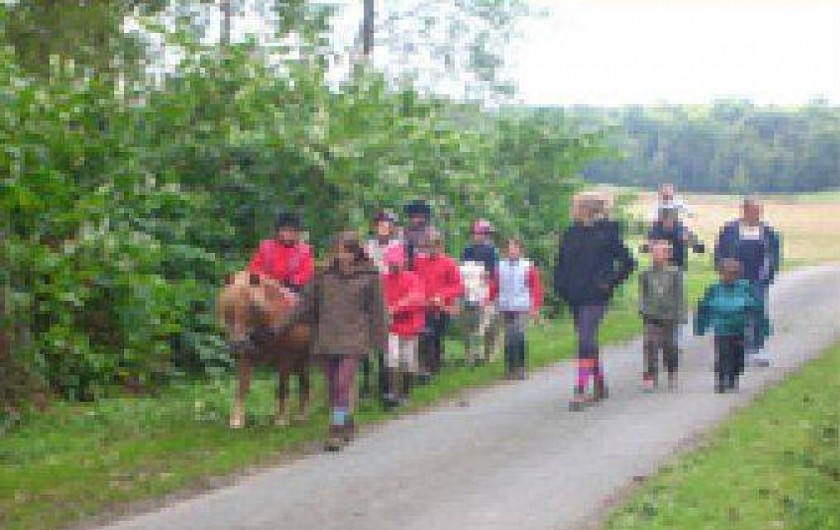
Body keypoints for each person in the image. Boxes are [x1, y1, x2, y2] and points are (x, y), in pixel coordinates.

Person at [292, 231, 387, 451]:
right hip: (327, 338)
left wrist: (380, 342)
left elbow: (378, 311)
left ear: (356, 252)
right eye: (339, 251)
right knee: (334, 386)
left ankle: (335, 429)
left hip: (354, 338)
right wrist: (279, 326)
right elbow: (305, 305)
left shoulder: (370, 276)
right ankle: (347, 421)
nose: (343, 255)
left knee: (342, 384)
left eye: (347, 251)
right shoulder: (322, 275)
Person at [555, 192, 636, 411]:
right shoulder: (570, 233)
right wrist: (560, 286)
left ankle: (580, 390)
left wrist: (609, 282)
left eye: (575, 206)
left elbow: (628, 263)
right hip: (574, 295)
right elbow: (561, 262)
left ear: (586, 209)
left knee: (585, 339)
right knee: (587, 341)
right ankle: (600, 385)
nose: (572, 210)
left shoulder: (607, 232)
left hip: (596, 296)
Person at [714, 196, 781, 367]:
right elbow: (719, 253)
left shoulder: (768, 233)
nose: (757, 214)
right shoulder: (729, 230)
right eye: (753, 211)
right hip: (733, 281)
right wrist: (723, 270)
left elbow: (773, 256)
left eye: (759, 211)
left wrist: (768, 275)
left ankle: (755, 350)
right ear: (744, 210)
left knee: (756, 314)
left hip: (757, 281)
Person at [695, 258, 768, 393]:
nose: (729, 277)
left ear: (737, 275)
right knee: (723, 354)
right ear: (720, 274)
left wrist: (762, 325)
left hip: (739, 329)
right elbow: (704, 307)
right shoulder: (714, 289)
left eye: (733, 274)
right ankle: (721, 381)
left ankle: (733, 378)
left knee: (738, 357)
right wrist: (701, 326)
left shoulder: (744, 288)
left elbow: (757, 307)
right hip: (722, 329)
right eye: (726, 274)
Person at [361, 210, 403, 401]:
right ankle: (365, 381)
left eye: (387, 225)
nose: (384, 229)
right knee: (363, 339)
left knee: (384, 341)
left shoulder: (397, 246)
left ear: (392, 228)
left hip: (387, 295)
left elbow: (397, 270)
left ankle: (386, 385)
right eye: (380, 225)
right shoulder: (367, 246)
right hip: (368, 294)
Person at [414, 228, 464, 382]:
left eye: (434, 245)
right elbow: (414, 280)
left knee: (435, 337)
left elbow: (458, 286)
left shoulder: (449, 263)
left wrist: (442, 295)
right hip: (423, 307)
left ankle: (434, 367)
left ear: (440, 246)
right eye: (428, 246)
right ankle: (423, 370)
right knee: (424, 337)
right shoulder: (418, 262)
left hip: (441, 308)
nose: (431, 249)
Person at [381, 244, 426, 409]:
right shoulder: (383, 280)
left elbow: (417, 299)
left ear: (403, 262)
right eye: (391, 263)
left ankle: (405, 394)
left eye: (396, 263)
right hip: (391, 326)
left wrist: (396, 307)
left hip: (410, 325)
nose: (393, 266)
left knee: (408, 359)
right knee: (391, 357)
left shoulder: (413, 278)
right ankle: (390, 394)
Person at [638, 240, 686, 391]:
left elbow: (679, 296)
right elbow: (643, 294)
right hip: (651, 315)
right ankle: (650, 375)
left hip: (669, 316)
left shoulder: (675, 273)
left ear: (668, 255)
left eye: (661, 252)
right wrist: (642, 309)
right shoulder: (646, 274)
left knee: (669, 346)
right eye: (655, 252)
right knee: (650, 344)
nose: (657, 255)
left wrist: (680, 314)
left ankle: (672, 372)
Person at [493, 238, 543, 380]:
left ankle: (521, 367)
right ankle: (509, 368)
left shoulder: (527, 266)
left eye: (515, 248)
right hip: (505, 306)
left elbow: (536, 287)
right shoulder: (500, 266)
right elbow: (495, 285)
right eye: (509, 249)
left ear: (520, 250)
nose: (512, 251)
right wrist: (489, 300)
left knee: (519, 335)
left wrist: (535, 307)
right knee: (509, 337)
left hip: (522, 306)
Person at [461, 219, 500, 367]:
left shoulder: (492, 251)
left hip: (486, 290)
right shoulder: (467, 250)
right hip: (470, 291)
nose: (479, 236)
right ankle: (471, 354)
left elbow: (494, 272)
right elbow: (464, 269)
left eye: (483, 233)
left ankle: (489, 353)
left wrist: (488, 280)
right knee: (470, 324)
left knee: (488, 324)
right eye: (477, 233)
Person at [247, 210, 315, 293]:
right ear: (278, 231)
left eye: (291, 231)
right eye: (284, 230)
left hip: (292, 289)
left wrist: (291, 281)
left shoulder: (305, 251)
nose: (287, 234)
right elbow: (254, 267)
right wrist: (266, 280)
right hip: (265, 287)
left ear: (297, 233)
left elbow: (306, 272)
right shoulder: (265, 246)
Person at [644, 206, 705, 270]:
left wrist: (689, 241)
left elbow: (700, 249)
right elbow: (645, 248)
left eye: (672, 219)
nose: (669, 222)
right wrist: (651, 246)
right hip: (659, 266)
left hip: (677, 266)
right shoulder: (654, 230)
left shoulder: (681, 229)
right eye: (665, 220)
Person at [403, 199, 434, 270]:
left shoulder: (431, 233)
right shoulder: (405, 233)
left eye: (422, 217)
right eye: (416, 216)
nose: (419, 220)